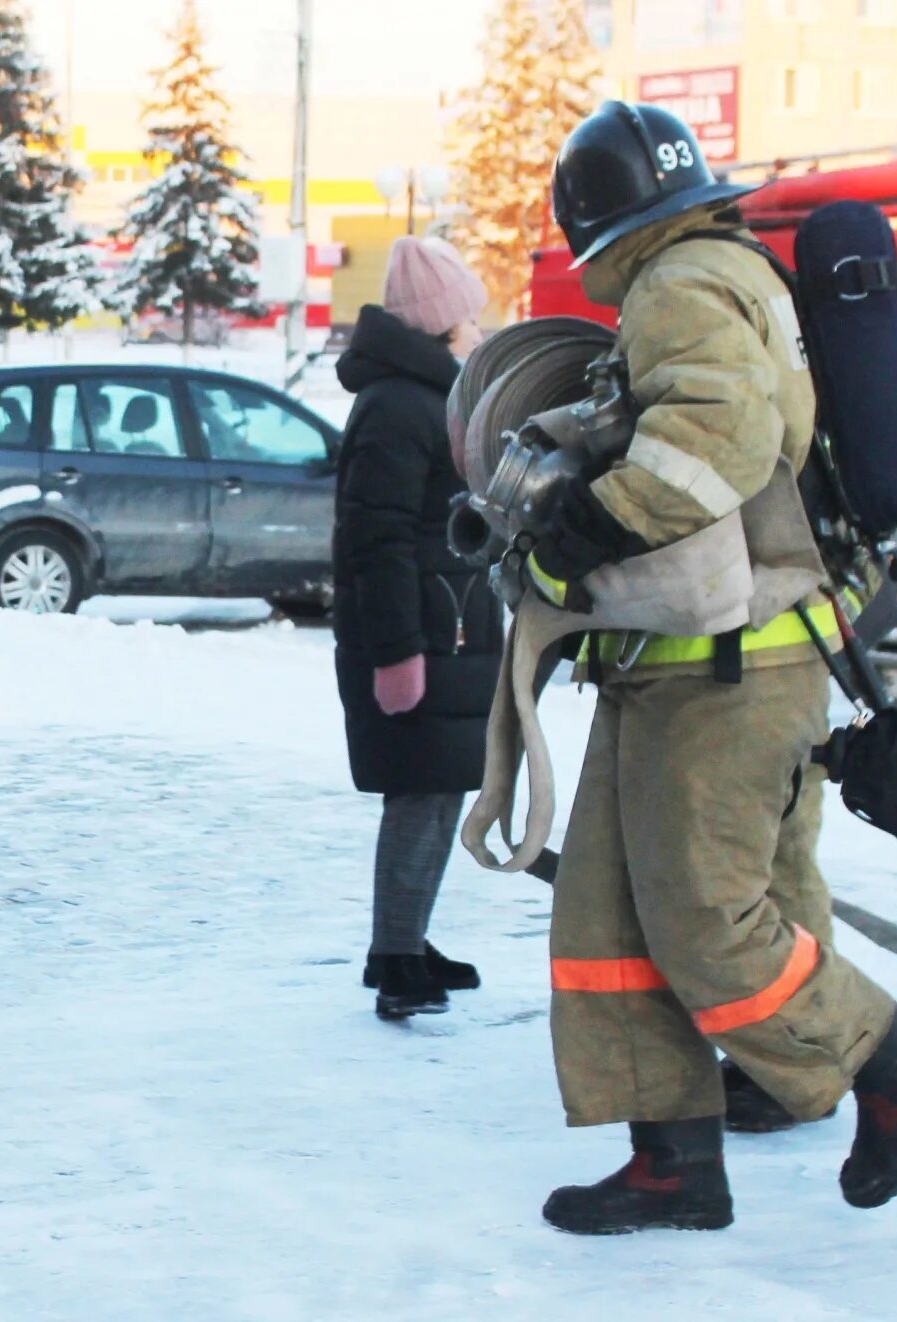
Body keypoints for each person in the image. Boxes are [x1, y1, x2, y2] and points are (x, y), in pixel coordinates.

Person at [533, 101, 897, 1235]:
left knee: (704, 917)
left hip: (723, 664)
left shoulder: (677, 285)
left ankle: (894, 1064)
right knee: (612, 915)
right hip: (691, 655)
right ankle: (671, 1157)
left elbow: (717, 435)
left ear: (597, 220)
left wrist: (594, 518)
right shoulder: (726, 269)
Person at [331, 236, 503, 1020]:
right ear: (441, 323)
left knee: (437, 791)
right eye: (470, 317)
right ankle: (396, 956)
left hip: (449, 632)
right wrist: (398, 654)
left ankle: (405, 940)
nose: (479, 330)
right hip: (422, 641)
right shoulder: (400, 407)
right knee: (419, 793)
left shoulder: (429, 398)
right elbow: (379, 540)